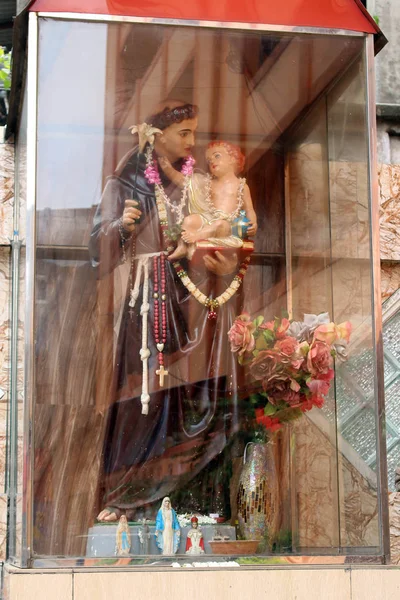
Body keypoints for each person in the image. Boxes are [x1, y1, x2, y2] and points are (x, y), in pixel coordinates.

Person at [91, 100, 247, 525]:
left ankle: (187, 499)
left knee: (191, 395)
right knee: (142, 396)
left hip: (192, 298)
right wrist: (121, 226)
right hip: (146, 300)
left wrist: (226, 254)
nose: (192, 142)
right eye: (184, 133)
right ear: (157, 135)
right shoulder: (128, 179)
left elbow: (227, 228)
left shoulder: (196, 182)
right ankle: (128, 496)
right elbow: (95, 247)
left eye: (195, 134)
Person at [160, 141, 257, 261]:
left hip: (227, 225)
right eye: (209, 160)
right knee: (190, 220)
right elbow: (184, 182)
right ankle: (183, 246)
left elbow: (249, 209)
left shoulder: (241, 185)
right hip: (207, 217)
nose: (212, 161)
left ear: (233, 158)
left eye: (217, 156)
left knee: (220, 224)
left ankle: (196, 236)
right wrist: (167, 168)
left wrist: (253, 224)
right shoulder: (207, 182)